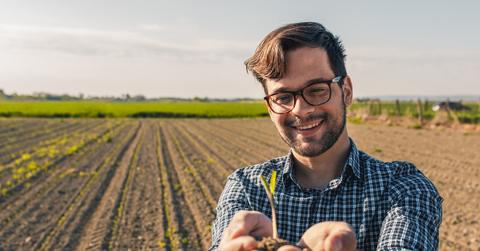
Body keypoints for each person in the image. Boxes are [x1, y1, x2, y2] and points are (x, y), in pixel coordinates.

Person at [209, 22, 442, 251]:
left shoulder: (402, 188)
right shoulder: (247, 188)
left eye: (317, 90)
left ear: (346, 91)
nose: (300, 109)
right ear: (270, 108)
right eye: (282, 97)